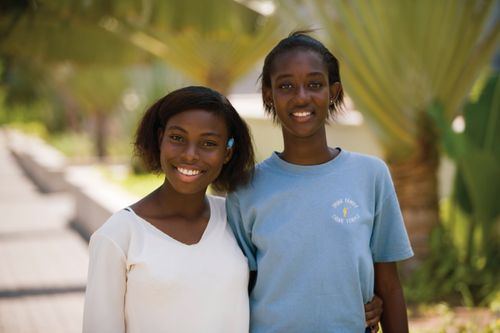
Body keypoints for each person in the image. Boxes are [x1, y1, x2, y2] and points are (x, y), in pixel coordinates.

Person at [226, 31, 414, 333]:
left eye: (314, 84)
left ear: (334, 92)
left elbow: (389, 285)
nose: (301, 96)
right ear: (268, 95)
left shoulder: (371, 175)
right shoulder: (245, 188)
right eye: (286, 86)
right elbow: (237, 292)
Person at [82, 86, 255, 333]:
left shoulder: (235, 219)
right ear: (160, 138)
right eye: (177, 138)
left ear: (227, 153)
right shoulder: (118, 236)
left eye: (208, 143)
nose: (190, 155)